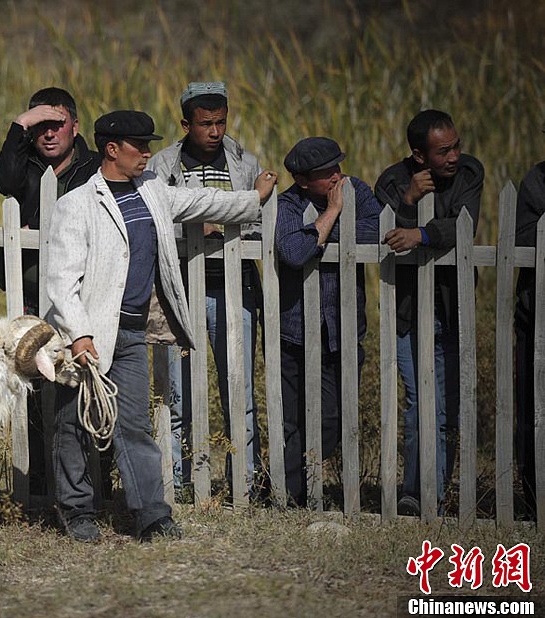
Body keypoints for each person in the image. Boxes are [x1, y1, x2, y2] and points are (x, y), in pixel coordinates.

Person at [45, 109, 277, 541]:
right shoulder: (76, 205)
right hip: (84, 336)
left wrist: (253, 198)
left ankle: (152, 515)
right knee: (73, 424)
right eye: (140, 146)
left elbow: (202, 201)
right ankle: (78, 512)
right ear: (112, 150)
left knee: (133, 425)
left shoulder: (153, 189)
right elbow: (61, 280)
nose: (148, 154)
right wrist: (79, 334)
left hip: (131, 333)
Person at [147, 81, 264, 496]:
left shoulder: (245, 163)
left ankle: (245, 482)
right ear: (186, 124)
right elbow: (154, 214)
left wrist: (222, 222)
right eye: (205, 124)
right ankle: (177, 481)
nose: (214, 132)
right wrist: (202, 224)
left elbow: (259, 224)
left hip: (233, 291)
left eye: (220, 122)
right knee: (177, 393)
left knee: (239, 390)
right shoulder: (163, 164)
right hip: (178, 290)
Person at [0, 87, 101, 496]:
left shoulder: (92, 167)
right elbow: (3, 182)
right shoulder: (26, 163)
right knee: (34, 382)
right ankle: (37, 482)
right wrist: (20, 125)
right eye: (39, 127)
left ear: (75, 125)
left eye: (57, 124)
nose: (49, 134)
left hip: (78, 292)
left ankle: (91, 479)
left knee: (82, 378)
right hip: (31, 289)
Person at [375, 110, 484, 516]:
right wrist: (408, 202)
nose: (454, 156)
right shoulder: (391, 181)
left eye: (455, 145)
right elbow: (386, 234)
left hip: (453, 305)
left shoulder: (470, 172)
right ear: (419, 156)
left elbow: (463, 227)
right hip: (408, 309)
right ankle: (415, 492)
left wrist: (421, 233)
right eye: (444, 151)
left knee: (448, 406)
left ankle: (438, 491)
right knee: (420, 402)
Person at [275, 136, 381, 508]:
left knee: (334, 416)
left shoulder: (357, 191)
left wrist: (320, 229)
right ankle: (293, 496)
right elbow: (292, 250)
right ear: (303, 180)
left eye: (338, 166)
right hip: (294, 329)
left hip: (342, 329)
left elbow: (377, 233)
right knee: (292, 420)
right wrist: (334, 215)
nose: (337, 176)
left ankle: (320, 480)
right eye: (326, 173)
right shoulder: (288, 203)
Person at [513, 148, 544, 519]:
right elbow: (524, 242)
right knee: (532, 412)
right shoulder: (536, 183)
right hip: (536, 313)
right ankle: (534, 503)